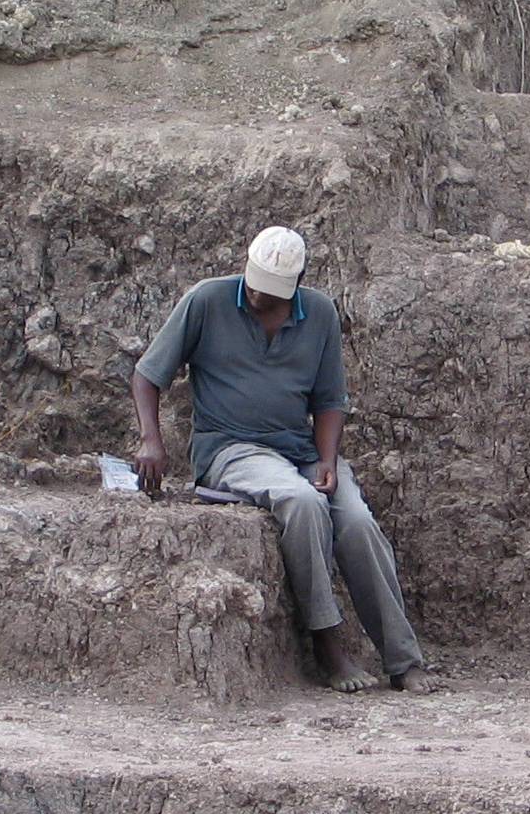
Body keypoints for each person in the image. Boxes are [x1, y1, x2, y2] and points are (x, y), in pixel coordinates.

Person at [131, 228, 434, 694]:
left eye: (271, 294)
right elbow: (148, 375)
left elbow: (331, 399)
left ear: (297, 285)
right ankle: (327, 644)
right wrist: (151, 440)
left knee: (355, 520)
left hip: (300, 449)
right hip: (231, 448)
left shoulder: (319, 314)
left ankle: (402, 659)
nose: (258, 298)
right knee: (300, 501)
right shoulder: (206, 301)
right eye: (253, 286)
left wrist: (327, 460)